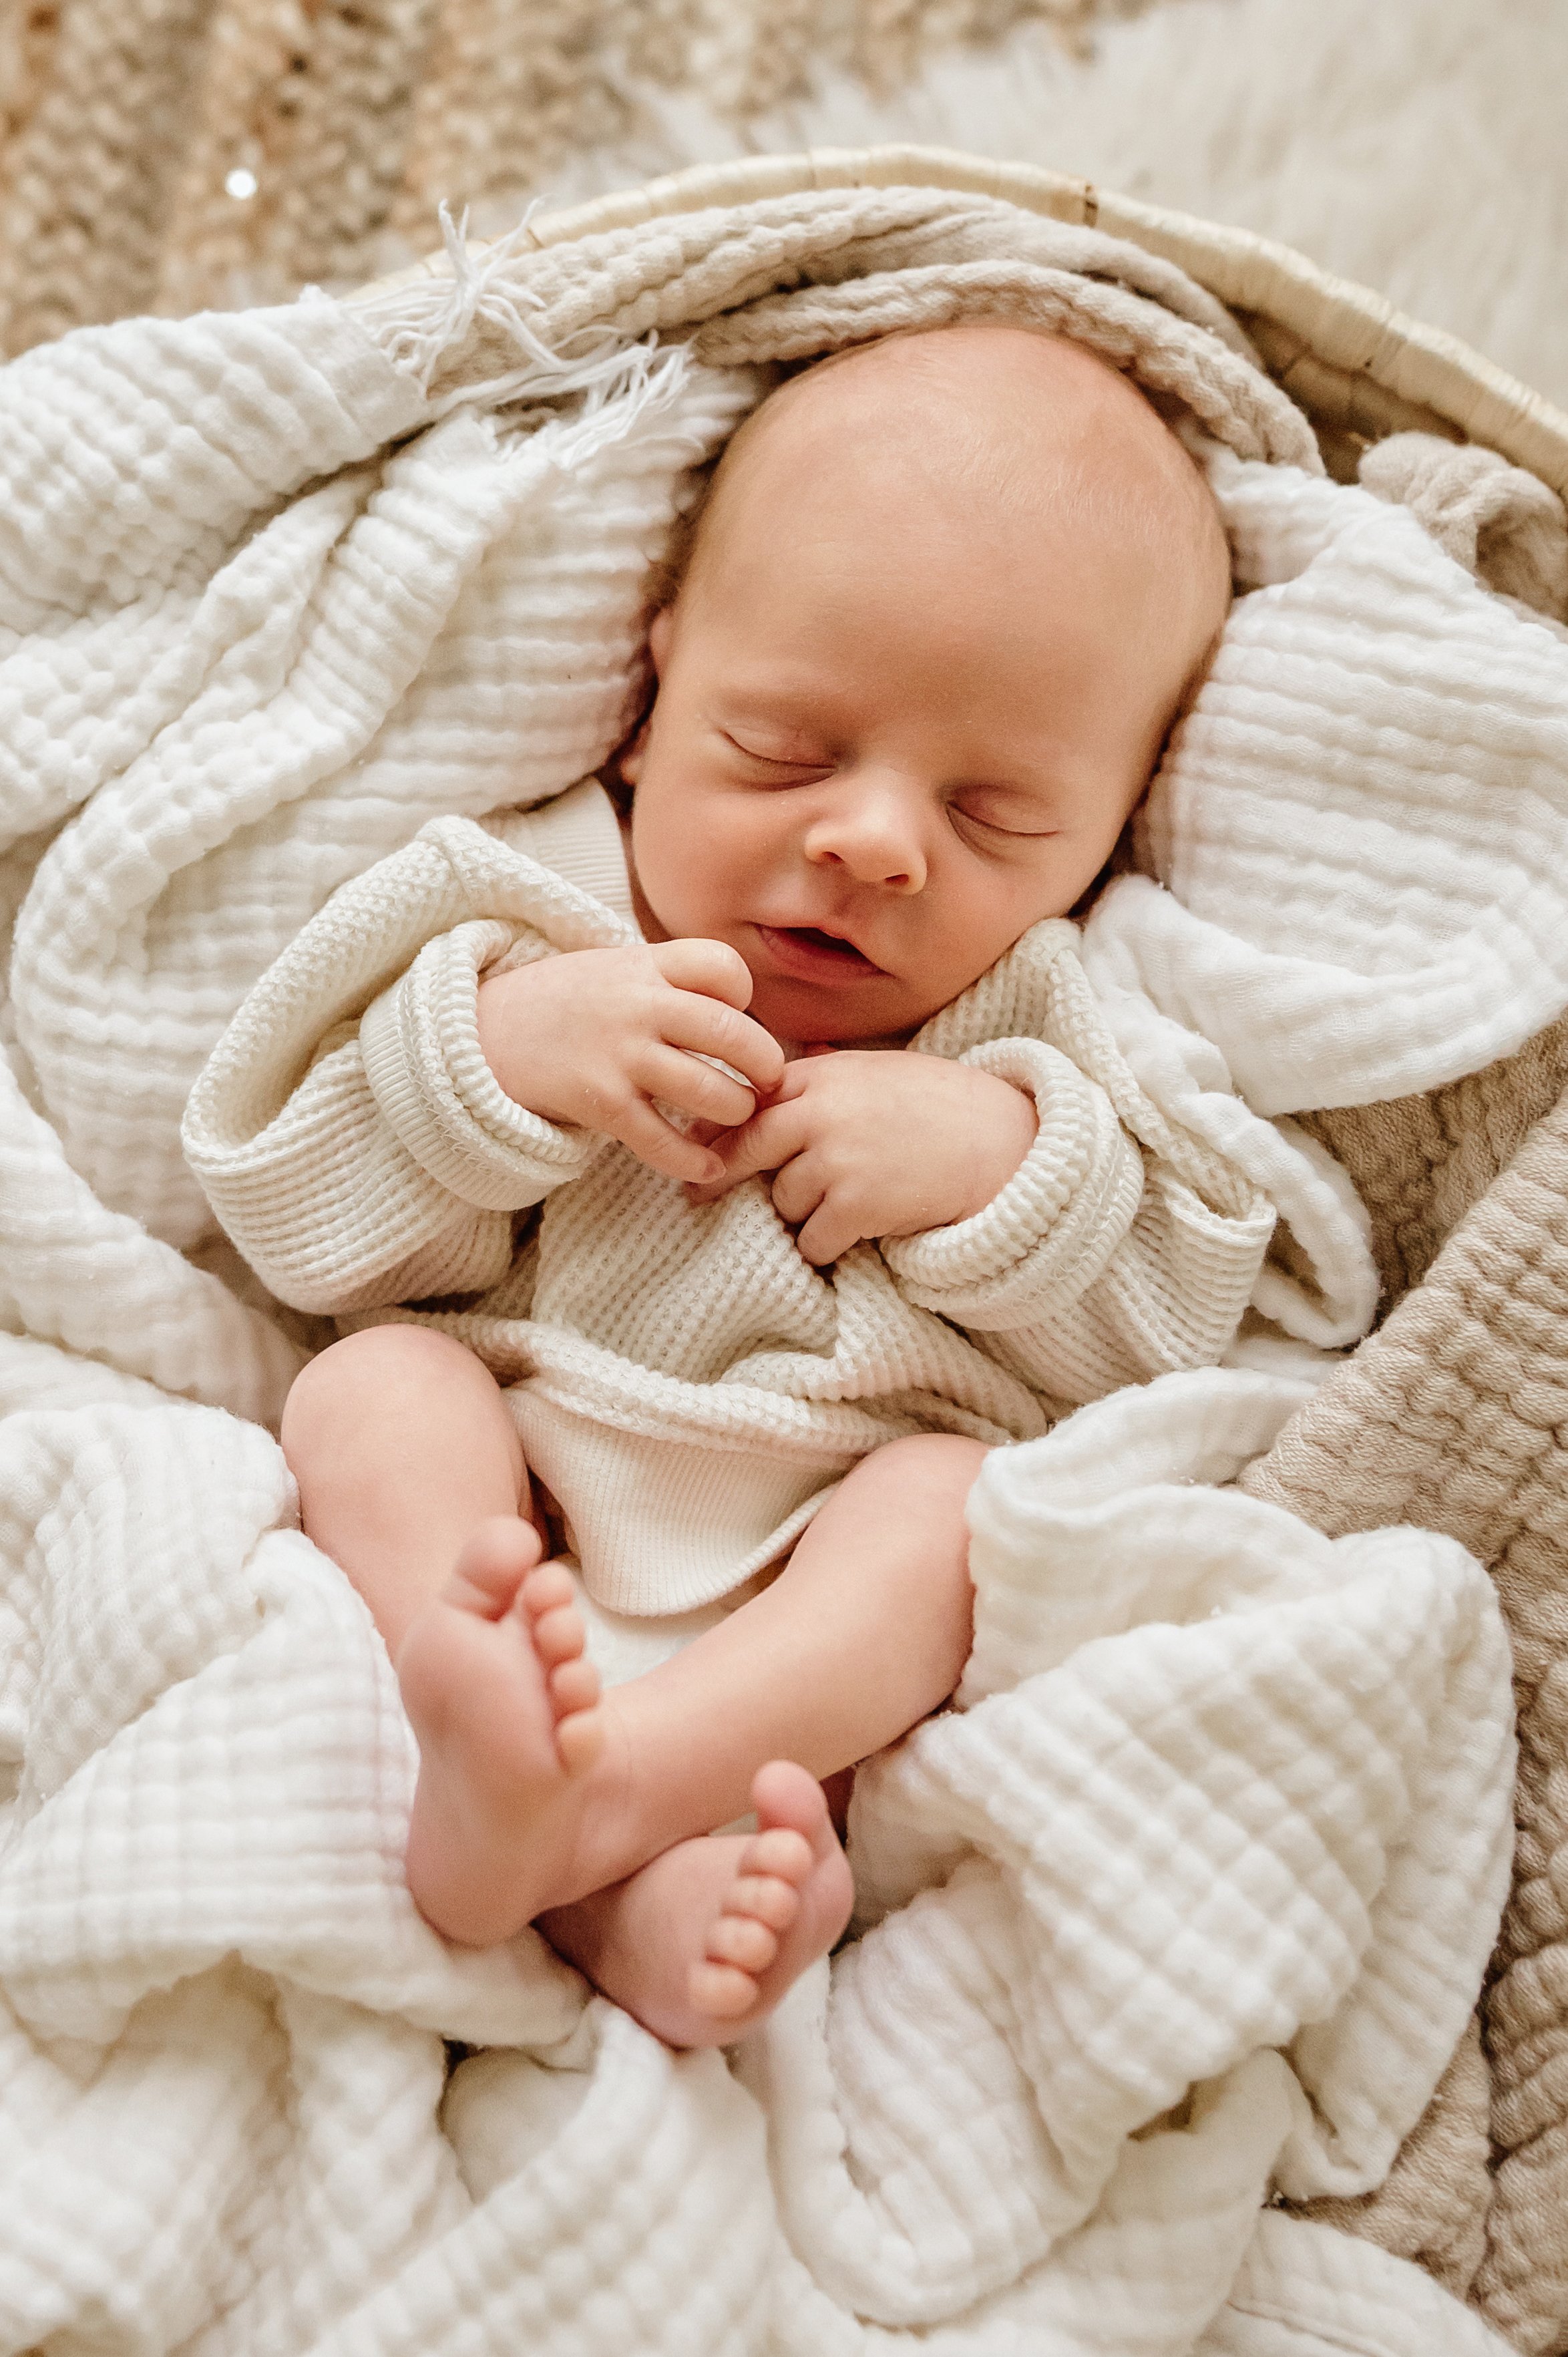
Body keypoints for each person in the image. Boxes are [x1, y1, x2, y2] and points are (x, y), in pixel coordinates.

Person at [185, 321, 1253, 2048]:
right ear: (652, 681)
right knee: (375, 1383)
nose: (874, 843)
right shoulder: (526, 908)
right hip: (517, 1493)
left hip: (807, 1571)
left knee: (944, 1513)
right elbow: (287, 1199)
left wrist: (995, 1161)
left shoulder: (1048, 1022)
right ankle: (546, 1805)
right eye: (781, 748)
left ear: (1117, 824)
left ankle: (604, 1819)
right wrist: (504, 1061)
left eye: (994, 817)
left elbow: (1188, 1326)